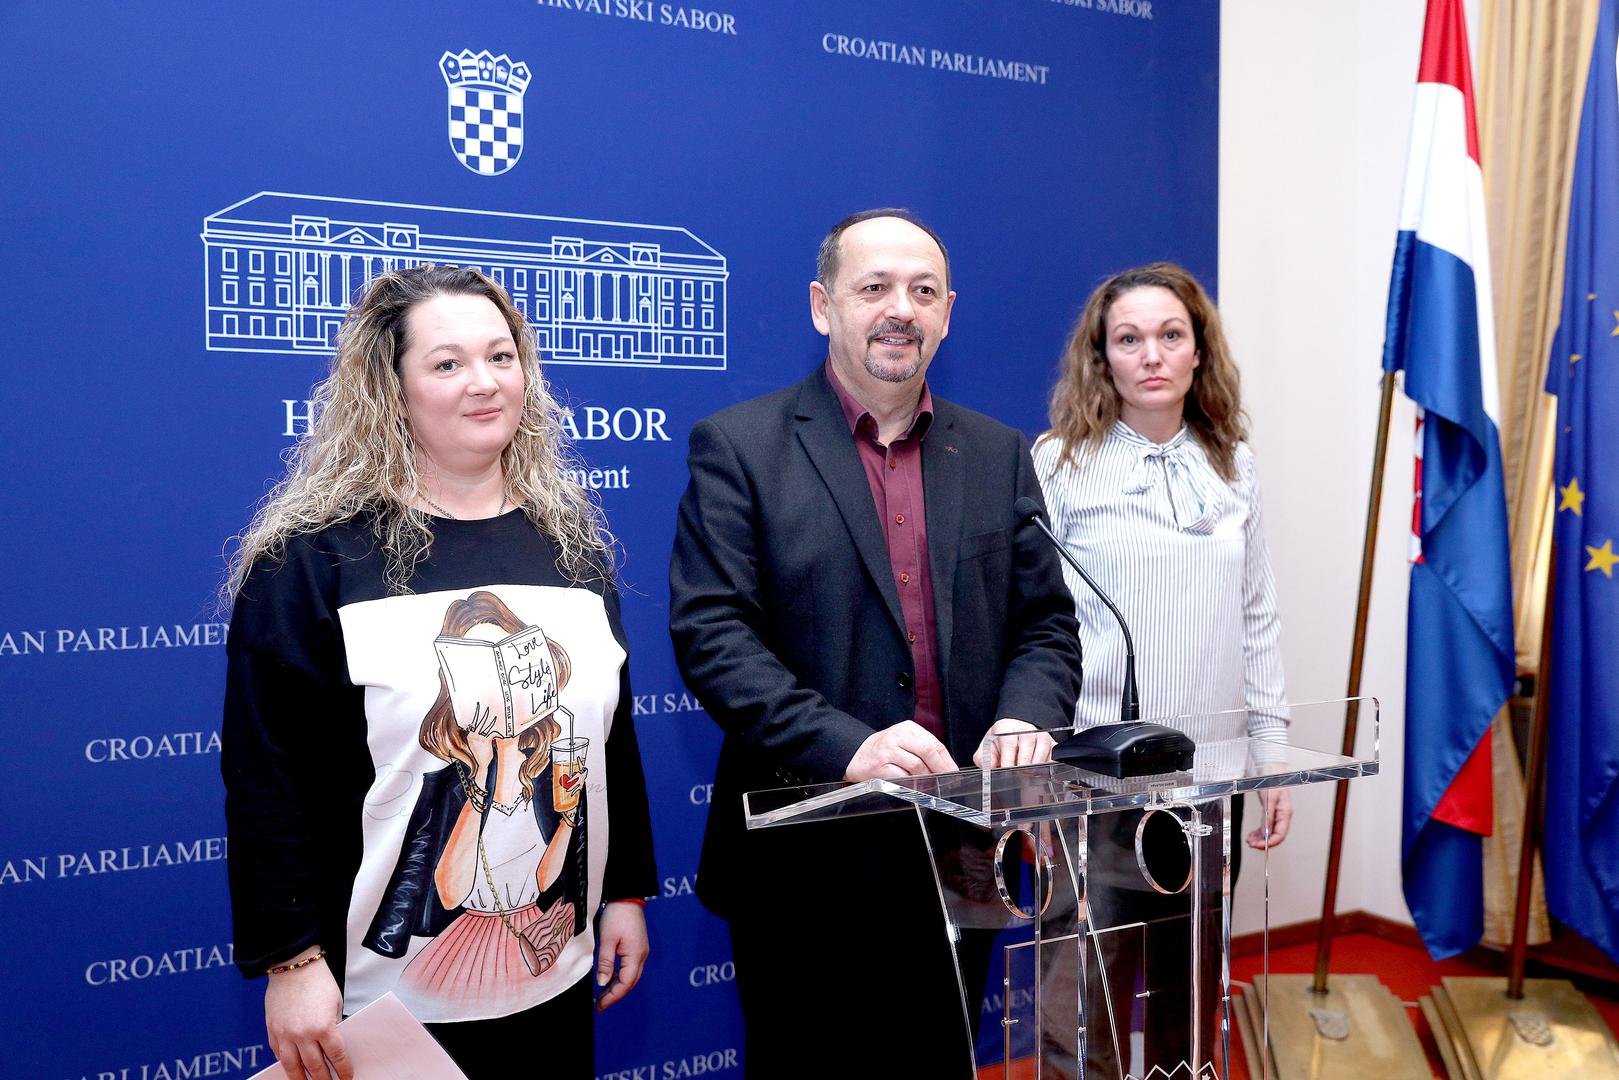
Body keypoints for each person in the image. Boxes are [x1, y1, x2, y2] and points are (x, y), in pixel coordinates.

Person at [669, 208, 1082, 1079]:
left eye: (922, 291)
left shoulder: (997, 454)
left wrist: (1024, 715)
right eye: (874, 288)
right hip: (803, 855)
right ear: (823, 307)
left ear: (947, 314)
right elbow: (713, 636)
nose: (901, 309)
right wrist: (848, 746)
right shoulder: (739, 446)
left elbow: (1046, 624)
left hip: (960, 844)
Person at [221, 265, 655, 1080]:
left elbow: (609, 743)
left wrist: (625, 893)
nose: (484, 382)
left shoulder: (572, 553)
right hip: (379, 997)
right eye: (447, 363)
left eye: (500, 356)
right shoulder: (310, 562)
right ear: (391, 391)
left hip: (554, 967)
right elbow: (266, 781)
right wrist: (292, 961)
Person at [1033, 262, 1292, 1075]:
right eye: (1128, 338)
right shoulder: (1057, 463)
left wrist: (1270, 755)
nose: (1150, 355)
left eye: (1170, 335)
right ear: (1101, 357)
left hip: (1207, 779)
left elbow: (1256, 615)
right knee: (1083, 1002)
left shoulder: (1234, 464)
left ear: (1197, 351)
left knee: (1190, 993)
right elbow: (1032, 626)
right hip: (1091, 780)